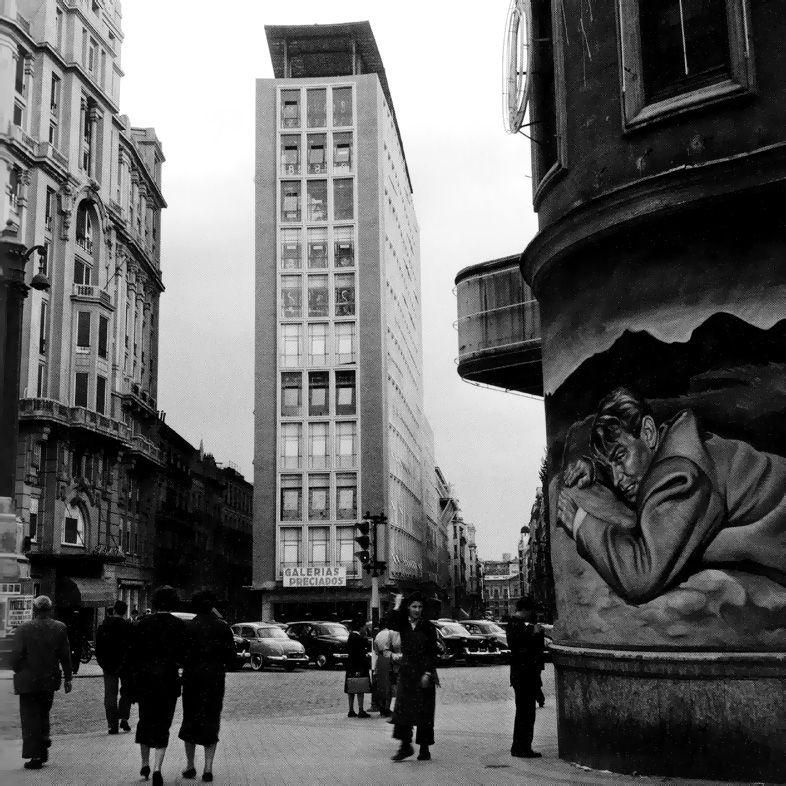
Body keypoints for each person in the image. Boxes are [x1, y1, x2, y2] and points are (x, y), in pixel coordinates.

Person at [559, 387, 786, 603]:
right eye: (610, 469)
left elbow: (641, 577)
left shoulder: (679, 478)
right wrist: (596, 471)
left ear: (648, 433)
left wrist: (580, 523)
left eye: (620, 457)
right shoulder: (675, 447)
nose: (617, 479)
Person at [128, 585, 187, 785]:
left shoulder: (142, 624)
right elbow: (183, 655)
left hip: (146, 681)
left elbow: (134, 655)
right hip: (167, 681)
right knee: (163, 724)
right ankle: (157, 769)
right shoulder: (178, 625)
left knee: (145, 721)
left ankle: (144, 763)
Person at [178, 591, 236, 783]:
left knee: (190, 719)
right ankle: (208, 767)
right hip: (214, 680)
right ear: (212, 606)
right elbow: (231, 657)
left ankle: (190, 765)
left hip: (192, 680)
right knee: (212, 719)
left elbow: (181, 655)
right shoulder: (222, 627)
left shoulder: (189, 627)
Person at [10, 595, 73, 769]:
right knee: (44, 713)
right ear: (50, 609)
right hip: (48, 680)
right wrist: (68, 678)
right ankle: (43, 745)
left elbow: (15, 656)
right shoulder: (59, 628)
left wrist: (19, 670)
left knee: (30, 718)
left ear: (34, 610)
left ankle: (36, 755)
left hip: (28, 681)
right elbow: (65, 655)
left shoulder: (23, 629)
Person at [390, 592, 439, 762]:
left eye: (420, 607)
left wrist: (428, 673)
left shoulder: (428, 627)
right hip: (407, 673)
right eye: (414, 606)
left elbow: (432, 652)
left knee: (424, 711)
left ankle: (424, 749)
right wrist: (397, 605)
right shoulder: (404, 624)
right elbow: (389, 622)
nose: (417, 610)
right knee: (403, 710)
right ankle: (405, 746)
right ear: (408, 608)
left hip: (424, 673)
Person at [508, 597, 544, 758]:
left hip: (527, 675)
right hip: (523, 675)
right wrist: (533, 633)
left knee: (526, 713)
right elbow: (518, 646)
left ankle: (522, 746)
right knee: (525, 713)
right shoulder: (515, 624)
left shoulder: (522, 625)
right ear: (526, 610)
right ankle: (521, 747)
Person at [95, 599, 133, 734]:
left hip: (109, 664)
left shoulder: (104, 626)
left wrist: (102, 662)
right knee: (127, 692)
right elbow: (133, 647)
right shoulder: (128, 627)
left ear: (114, 610)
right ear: (124, 612)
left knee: (110, 695)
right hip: (126, 665)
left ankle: (112, 724)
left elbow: (98, 647)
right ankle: (124, 717)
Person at [373, 615, 401, 717]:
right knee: (390, 687)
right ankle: (387, 708)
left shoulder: (378, 635)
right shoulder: (392, 634)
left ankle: (382, 708)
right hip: (390, 663)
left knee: (382, 686)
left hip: (380, 661)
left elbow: (376, 651)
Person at [344, 617, 371, 718]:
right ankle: (360, 709)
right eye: (365, 626)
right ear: (361, 627)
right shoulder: (358, 638)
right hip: (358, 666)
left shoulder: (351, 636)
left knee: (351, 689)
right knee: (360, 688)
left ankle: (351, 709)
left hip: (350, 666)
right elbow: (359, 655)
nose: (365, 628)